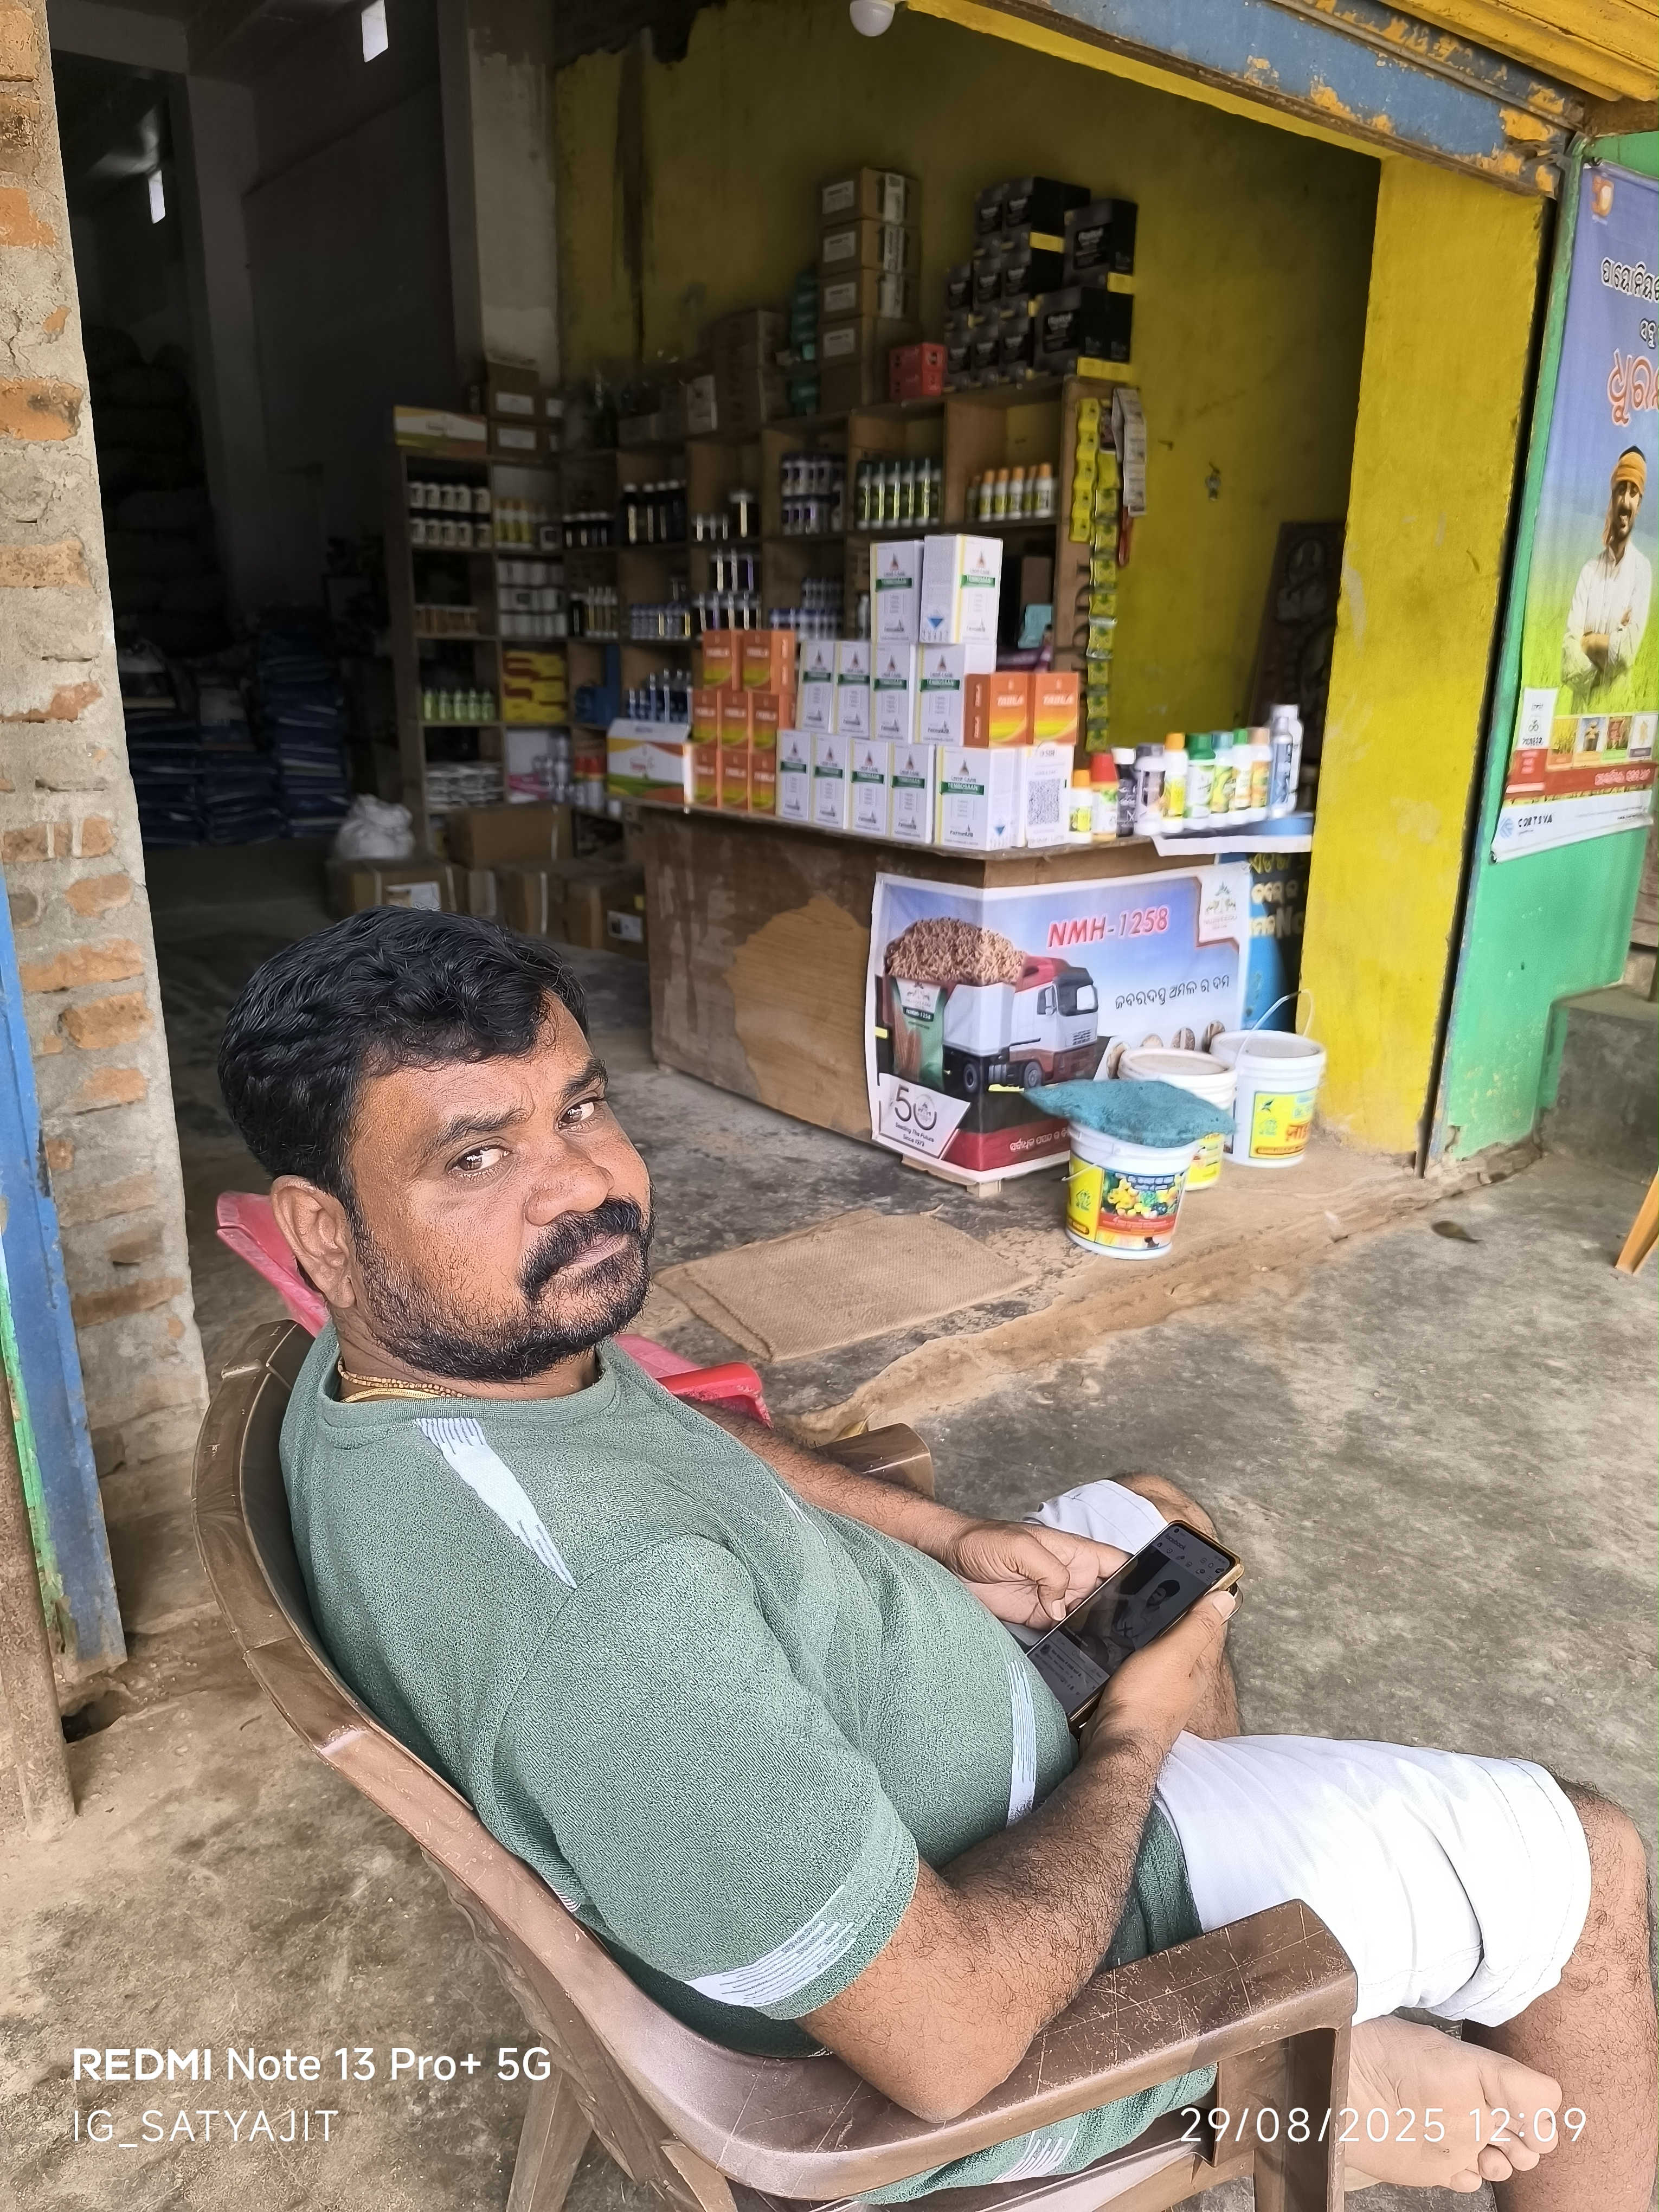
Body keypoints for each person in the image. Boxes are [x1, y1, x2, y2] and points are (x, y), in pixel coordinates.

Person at [218, 909, 1658, 2205]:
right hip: (981, 1968)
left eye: (581, 1107)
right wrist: (1133, 1743)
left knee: (1157, 1522)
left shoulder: (447, 1365)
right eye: (476, 1157)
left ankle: (1283, 1974)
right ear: (321, 1232)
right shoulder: (605, 1619)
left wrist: (950, 1540)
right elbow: (949, 2047)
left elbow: (675, 1436)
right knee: (1587, 1864)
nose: (584, 1183)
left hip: (906, 1745)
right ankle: (1236, 2029)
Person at [1561, 447, 1652, 712]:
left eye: (1633, 493)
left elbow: (1627, 652)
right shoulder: (1589, 572)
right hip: (1580, 715)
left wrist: (1589, 642)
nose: (1625, 501)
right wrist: (1610, 645)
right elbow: (1568, 656)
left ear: (1639, 505)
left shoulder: (1642, 570)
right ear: (1612, 497)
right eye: (1620, 490)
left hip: (1618, 716)